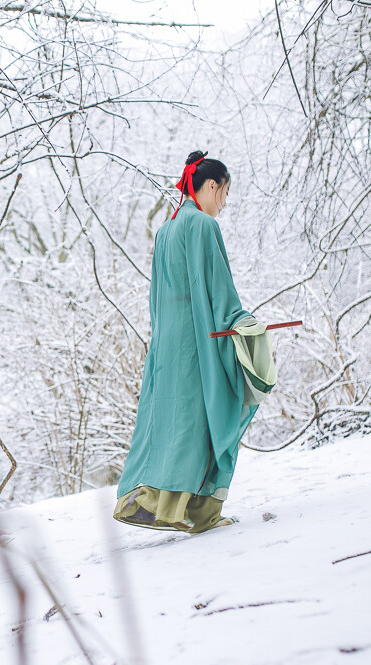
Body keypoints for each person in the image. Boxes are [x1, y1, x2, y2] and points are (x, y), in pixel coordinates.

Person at [112, 150, 274, 535]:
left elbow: (159, 296)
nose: (224, 203)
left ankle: (162, 504)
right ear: (212, 185)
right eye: (224, 193)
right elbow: (218, 289)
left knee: (175, 420)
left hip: (168, 344)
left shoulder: (166, 230)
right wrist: (243, 324)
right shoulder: (202, 225)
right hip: (199, 340)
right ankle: (199, 512)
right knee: (207, 416)